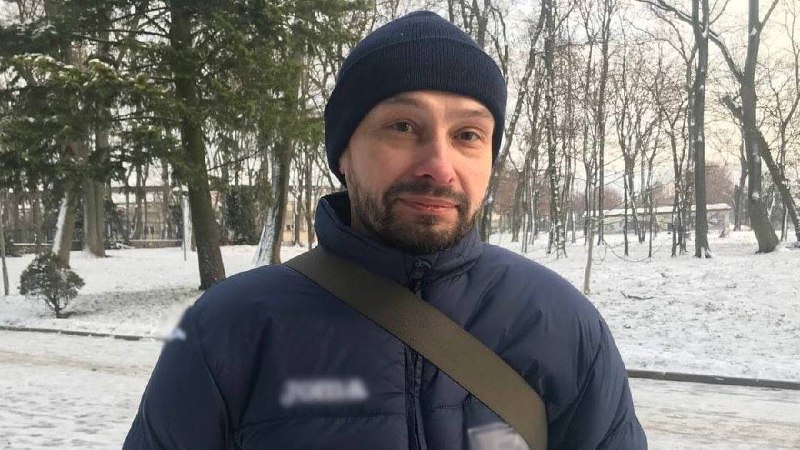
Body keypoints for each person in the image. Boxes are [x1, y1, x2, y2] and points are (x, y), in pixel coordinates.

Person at [124, 10, 647, 450]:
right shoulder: (227, 330)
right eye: (402, 126)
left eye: (468, 135)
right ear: (343, 153)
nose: (439, 166)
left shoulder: (562, 324)